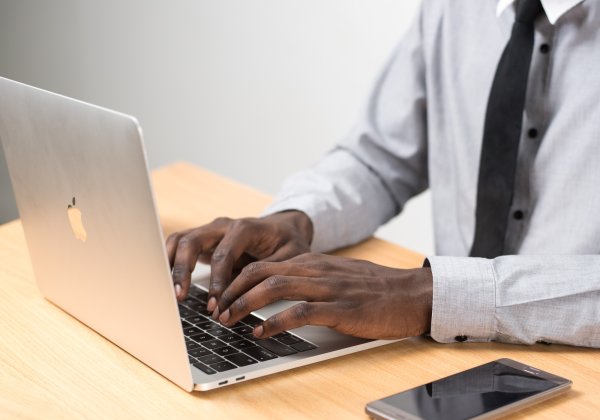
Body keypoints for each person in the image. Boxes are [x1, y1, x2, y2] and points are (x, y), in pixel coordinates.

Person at [167, 0, 600, 348]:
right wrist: (298, 219)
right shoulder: (454, 8)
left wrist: (428, 294)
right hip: (448, 352)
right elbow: (381, 156)